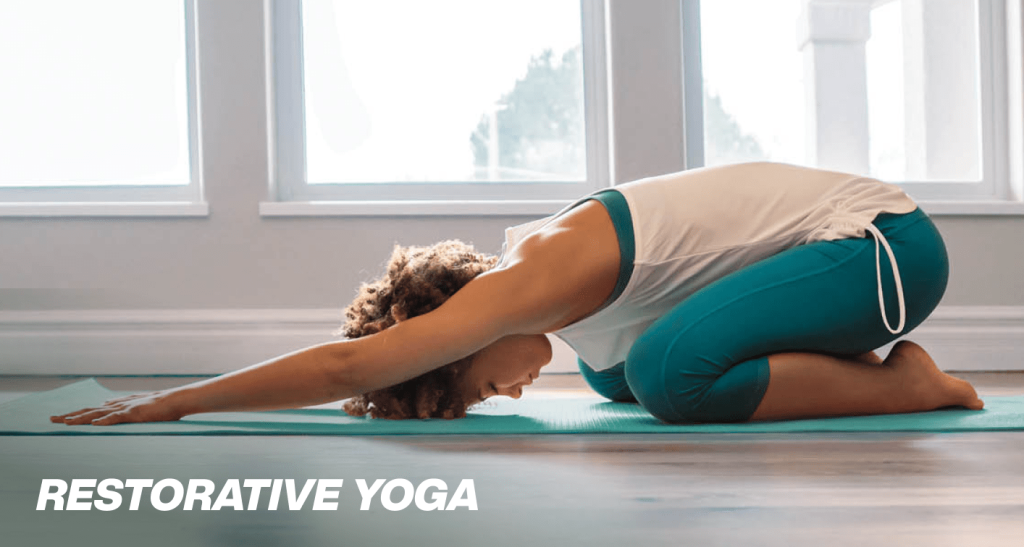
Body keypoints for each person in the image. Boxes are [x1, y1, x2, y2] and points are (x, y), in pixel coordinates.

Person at [51, 161, 984, 426]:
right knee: (624, 375)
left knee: (667, 378)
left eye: (467, 385)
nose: (499, 393)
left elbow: (349, 362)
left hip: (884, 251)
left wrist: (178, 402)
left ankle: (913, 384)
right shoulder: (549, 302)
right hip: (841, 262)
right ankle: (866, 368)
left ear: (456, 331)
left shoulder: (534, 277)